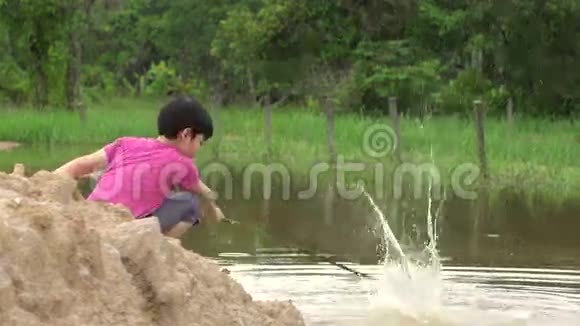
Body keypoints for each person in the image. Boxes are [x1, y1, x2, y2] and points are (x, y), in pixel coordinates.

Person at [53, 95, 225, 238]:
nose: (198, 150)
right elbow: (204, 193)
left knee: (102, 176)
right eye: (200, 142)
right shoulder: (183, 163)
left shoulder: (125, 144)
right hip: (127, 231)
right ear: (186, 134)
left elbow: (80, 165)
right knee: (190, 204)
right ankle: (161, 248)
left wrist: (45, 181)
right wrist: (214, 211)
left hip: (92, 216)